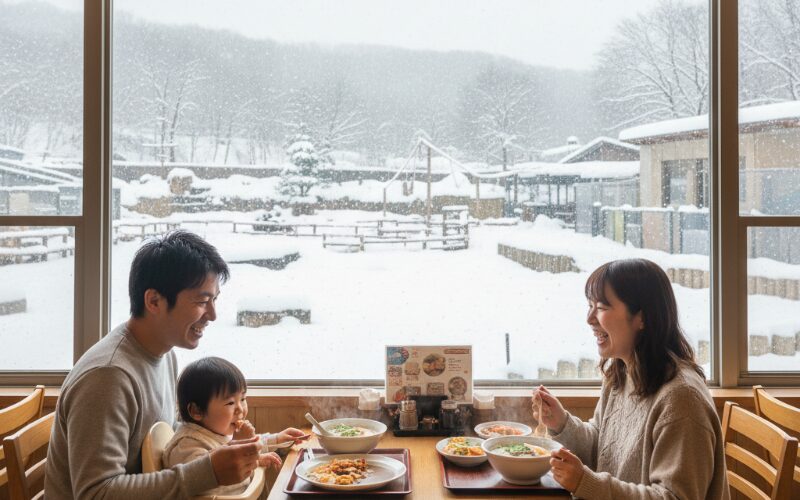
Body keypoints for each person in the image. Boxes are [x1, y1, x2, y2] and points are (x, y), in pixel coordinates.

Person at [46, 231, 263, 498]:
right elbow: (96, 493)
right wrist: (209, 472)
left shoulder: (165, 354)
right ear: (154, 301)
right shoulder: (108, 377)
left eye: (214, 300)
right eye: (202, 301)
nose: (213, 315)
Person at [532, 258, 729, 499]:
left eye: (602, 307)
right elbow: (602, 448)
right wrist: (561, 423)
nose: (590, 318)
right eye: (590, 305)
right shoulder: (622, 373)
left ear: (642, 318)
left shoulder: (681, 400)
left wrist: (587, 483)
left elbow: (673, 497)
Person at [162, 357, 307, 497]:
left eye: (243, 399)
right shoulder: (186, 446)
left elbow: (248, 441)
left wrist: (276, 439)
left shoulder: (215, 429)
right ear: (197, 411)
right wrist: (252, 461)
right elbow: (208, 488)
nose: (240, 409)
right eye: (230, 403)